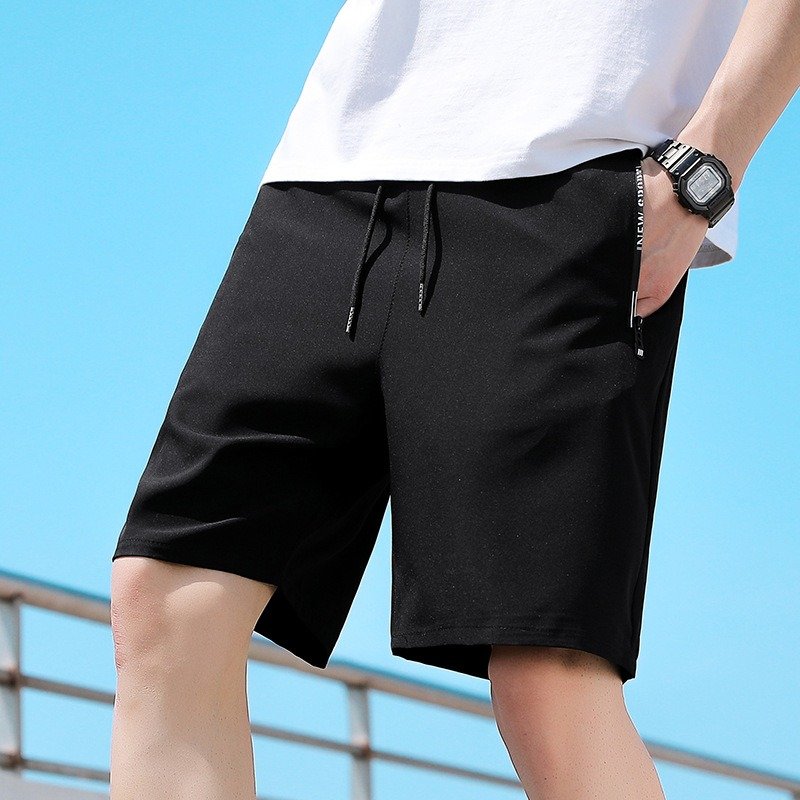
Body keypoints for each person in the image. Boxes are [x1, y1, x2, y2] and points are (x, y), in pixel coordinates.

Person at [108, 1, 800, 797]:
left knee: (548, 670)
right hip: (333, 158)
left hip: (581, 165)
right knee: (169, 598)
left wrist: (706, 169)